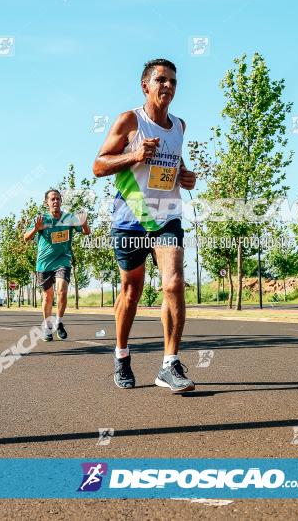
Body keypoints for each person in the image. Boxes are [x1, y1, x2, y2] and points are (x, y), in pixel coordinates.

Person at [92, 58, 197, 392]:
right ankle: (122, 354)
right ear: (145, 86)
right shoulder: (129, 121)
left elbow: (174, 162)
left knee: (174, 284)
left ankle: (170, 364)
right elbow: (98, 165)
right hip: (131, 219)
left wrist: (186, 175)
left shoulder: (179, 125)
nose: (167, 86)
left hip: (167, 217)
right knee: (131, 291)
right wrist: (133, 156)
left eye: (173, 82)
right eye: (161, 80)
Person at [23, 188, 90, 341]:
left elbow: (86, 232)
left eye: (58, 198)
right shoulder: (41, 219)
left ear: (61, 201)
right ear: (46, 202)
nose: (55, 201)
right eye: (52, 199)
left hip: (63, 260)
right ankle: (47, 326)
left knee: (62, 290)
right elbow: (26, 238)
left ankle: (59, 322)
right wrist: (35, 228)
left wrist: (84, 223)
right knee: (47, 297)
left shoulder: (69, 218)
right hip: (44, 263)